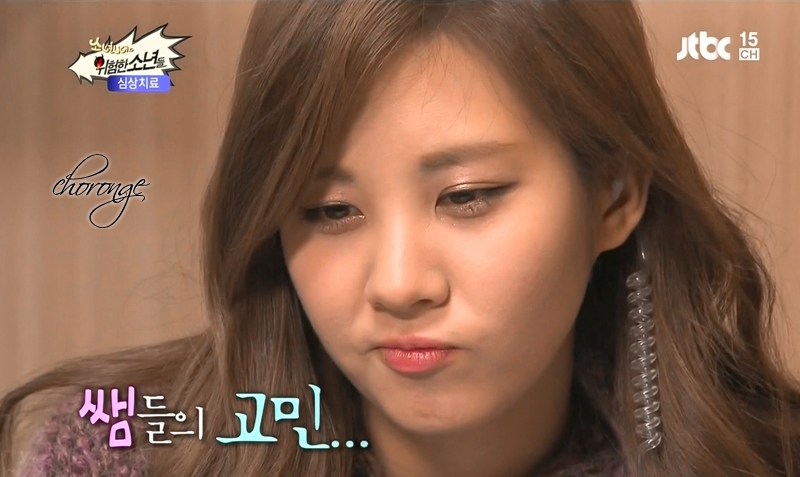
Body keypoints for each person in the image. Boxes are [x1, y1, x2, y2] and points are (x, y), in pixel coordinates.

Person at [2, 1, 799, 476]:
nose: (398, 282)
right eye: (330, 211)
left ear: (614, 195)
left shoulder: (764, 457)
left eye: (466, 196)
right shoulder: (123, 452)